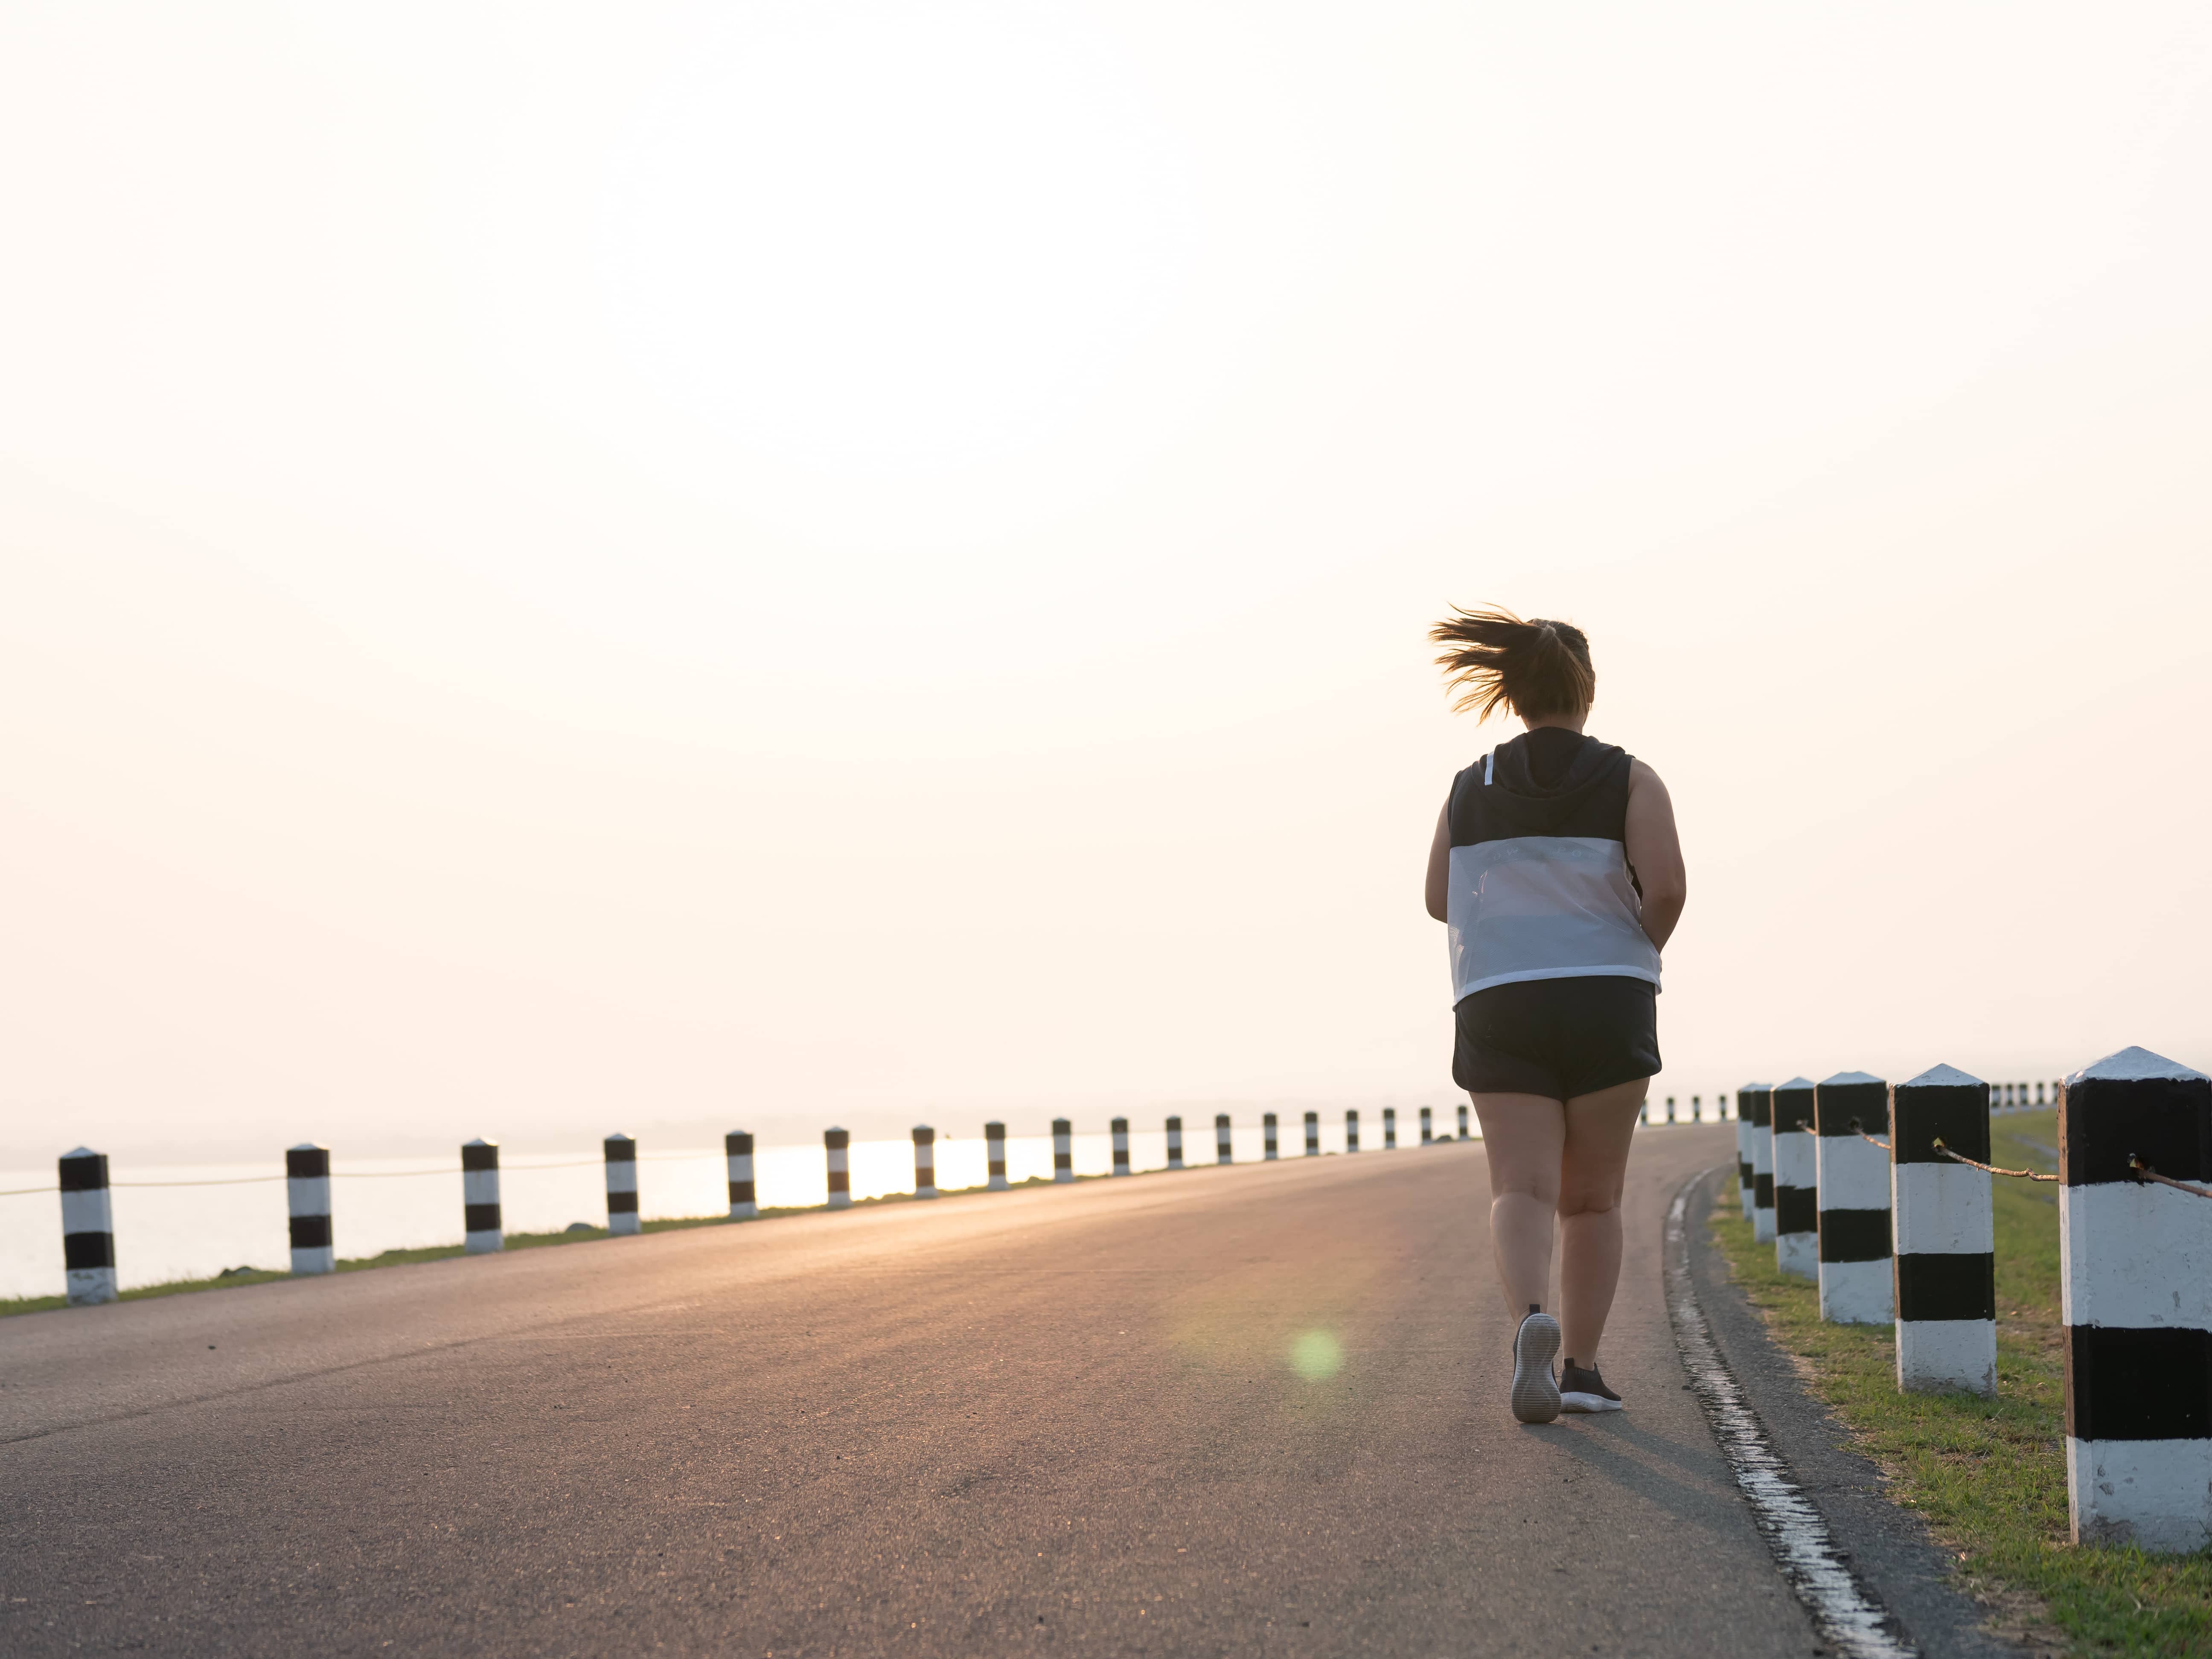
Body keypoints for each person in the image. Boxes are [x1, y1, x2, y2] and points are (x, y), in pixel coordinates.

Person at [1422, 607, 1686, 1424]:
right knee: (1594, 1199)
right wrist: (1633, 946)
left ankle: (1529, 1320)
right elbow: (1668, 888)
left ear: (1511, 694)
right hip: (1607, 994)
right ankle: (1580, 1369)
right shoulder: (1631, 777)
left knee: (1523, 1188)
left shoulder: (1473, 784)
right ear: (1588, 691)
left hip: (1503, 996)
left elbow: (1439, 899)